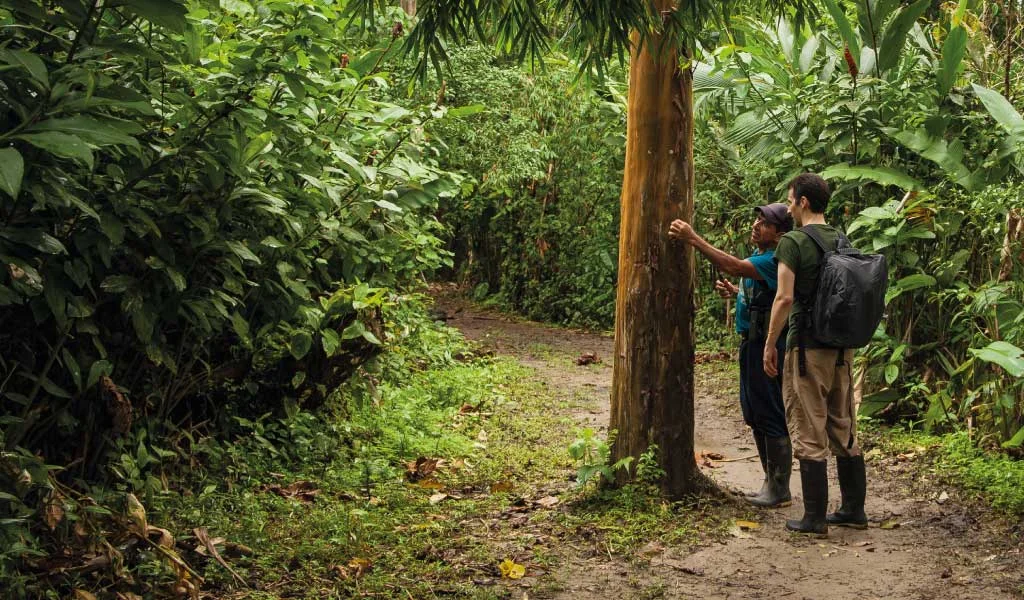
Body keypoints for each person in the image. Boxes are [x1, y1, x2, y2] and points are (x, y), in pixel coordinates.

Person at [763, 173, 868, 535]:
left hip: (807, 347)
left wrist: (769, 343)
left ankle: (814, 517)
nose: (789, 206)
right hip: (841, 348)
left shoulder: (792, 241)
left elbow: (784, 297)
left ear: (803, 202)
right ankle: (854, 510)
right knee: (844, 425)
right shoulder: (841, 239)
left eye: (791, 200)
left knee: (809, 426)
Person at [669, 204, 793, 508]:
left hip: (767, 348)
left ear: (779, 234)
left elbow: (735, 266)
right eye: (757, 220)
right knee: (754, 413)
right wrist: (735, 292)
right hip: (751, 345)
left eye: (764, 224)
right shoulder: (762, 260)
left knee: (769, 412)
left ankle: (779, 489)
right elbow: (753, 290)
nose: (755, 225)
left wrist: (693, 238)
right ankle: (770, 483)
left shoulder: (772, 259)